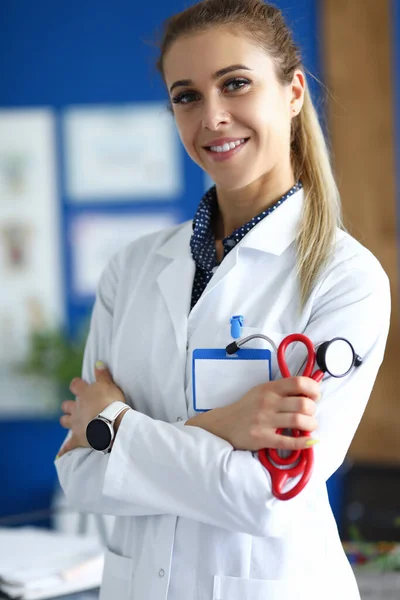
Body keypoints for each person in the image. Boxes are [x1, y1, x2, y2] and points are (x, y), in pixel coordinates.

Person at [55, 1, 391, 598]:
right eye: (186, 96)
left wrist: (112, 425)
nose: (212, 117)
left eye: (235, 84)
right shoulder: (131, 270)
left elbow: (267, 496)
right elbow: (78, 475)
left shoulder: (346, 279)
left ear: (291, 93)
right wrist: (223, 429)